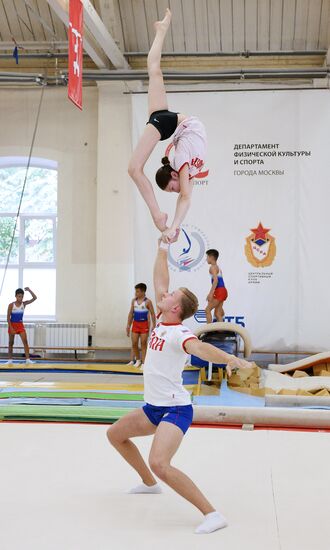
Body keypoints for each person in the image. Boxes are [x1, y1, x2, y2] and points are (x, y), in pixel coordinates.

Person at [107, 240, 251, 534]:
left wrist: (228, 359)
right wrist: (161, 247)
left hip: (175, 409)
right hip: (153, 408)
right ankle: (149, 484)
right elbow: (161, 277)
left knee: (161, 462)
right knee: (115, 434)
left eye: (170, 294)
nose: (164, 292)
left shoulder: (179, 333)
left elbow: (199, 348)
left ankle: (212, 514)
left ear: (175, 307)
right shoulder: (161, 319)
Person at [128, 8, 207, 243]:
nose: (175, 190)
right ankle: (155, 213)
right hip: (172, 123)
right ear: (175, 174)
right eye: (172, 188)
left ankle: (161, 31)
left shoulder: (185, 166)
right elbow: (185, 196)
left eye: (171, 188)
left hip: (173, 123)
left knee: (154, 71)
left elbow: (185, 197)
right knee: (134, 169)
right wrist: (168, 223)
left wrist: (174, 227)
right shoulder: (185, 163)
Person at [126, 283, 156, 368]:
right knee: (134, 343)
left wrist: (154, 325)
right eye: (135, 291)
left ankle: (144, 363)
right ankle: (138, 360)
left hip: (144, 325)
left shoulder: (148, 302)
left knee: (143, 343)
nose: (136, 293)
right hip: (135, 324)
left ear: (143, 292)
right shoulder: (133, 301)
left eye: (138, 291)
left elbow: (153, 314)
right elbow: (131, 313)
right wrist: (128, 325)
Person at [7, 287, 37, 365]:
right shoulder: (11, 305)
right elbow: (8, 317)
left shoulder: (24, 304)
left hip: (20, 324)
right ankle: (10, 360)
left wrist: (29, 290)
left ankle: (27, 359)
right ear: (16, 296)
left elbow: (35, 298)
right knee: (11, 342)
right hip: (12, 324)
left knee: (25, 342)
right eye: (19, 296)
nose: (20, 298)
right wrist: (11, 327)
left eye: (22, 296)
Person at [205, 249, 228, 324]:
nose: (206, 259)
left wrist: (210, 293)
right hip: (223, 290)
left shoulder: (212, 267)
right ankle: (221, 331)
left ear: (211, 257)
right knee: (218, 314)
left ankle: (209, 331)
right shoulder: (218, 267)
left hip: (219, 291)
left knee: (207, 310)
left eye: (207, 257)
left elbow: (215, 281)